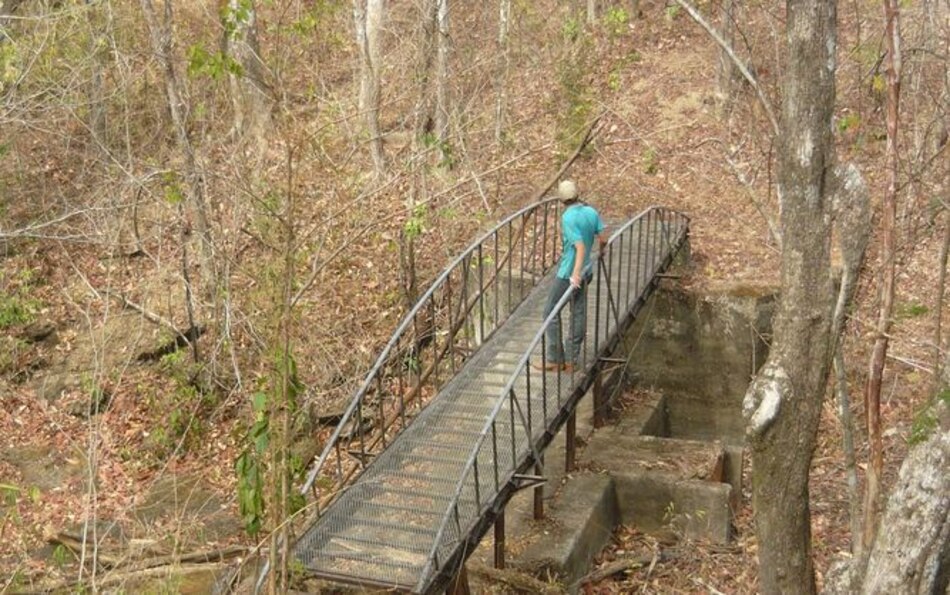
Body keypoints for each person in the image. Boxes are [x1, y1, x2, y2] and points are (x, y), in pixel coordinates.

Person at [537, 180, 606, 372]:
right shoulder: (590, 212)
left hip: (569, 272)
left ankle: (555, 359)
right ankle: (571, 360)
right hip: (587, 271)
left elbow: (580, 246)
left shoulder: (567, 217)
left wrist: (574, 275)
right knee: (578, 312)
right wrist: (601, 250)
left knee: (550, 313)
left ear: (562, 200)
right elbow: (603, 236)